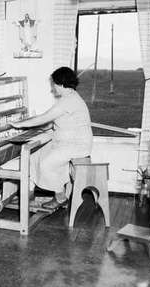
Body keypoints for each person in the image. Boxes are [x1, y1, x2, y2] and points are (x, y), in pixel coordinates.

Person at [9, 67, 93, 209]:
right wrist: (44, 126)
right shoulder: (69, 97)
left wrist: (18, 125)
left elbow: (45, 117)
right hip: (67, 141)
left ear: (61, 83)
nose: (52, 88)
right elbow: (57, 119)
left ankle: (60, 198)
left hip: (76, 145)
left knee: (47, 164)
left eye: (54, 84)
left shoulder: (69, 101)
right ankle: (28, 194)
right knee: (34, 155)